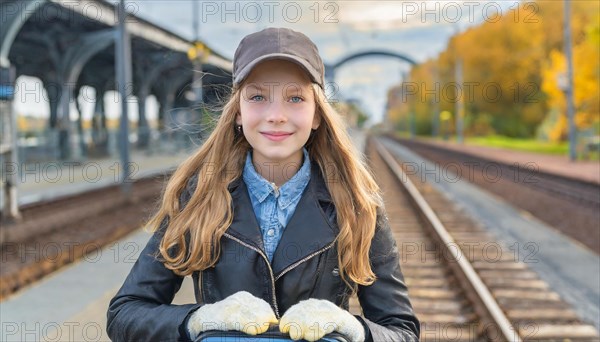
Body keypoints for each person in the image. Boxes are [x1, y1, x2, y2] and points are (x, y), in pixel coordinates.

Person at [106, 27, 420, 342]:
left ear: (316, 115)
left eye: (295, 98)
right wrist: (201, 319)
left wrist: (351, 328)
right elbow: (125, 314)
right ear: (238, 112)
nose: (276, 115)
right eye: (258, 96)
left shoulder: (357, 204)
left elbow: (401, 330)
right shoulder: (199, 197)